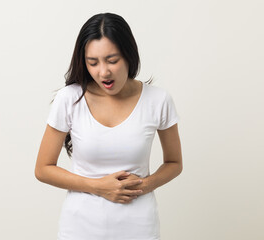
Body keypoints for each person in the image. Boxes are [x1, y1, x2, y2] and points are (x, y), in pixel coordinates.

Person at [35, 12, 183, 240]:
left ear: (129, 56)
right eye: (92, 63)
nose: (103, 72)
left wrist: (144, 185)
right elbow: (43, 169)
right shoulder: (69, 99)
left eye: (112, 61)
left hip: (139, 227)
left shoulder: (158, 100)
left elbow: (174, 163)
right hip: (80, 227)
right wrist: (98, 186)